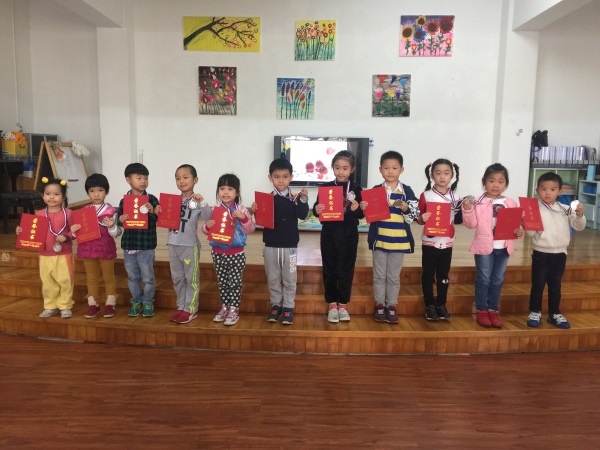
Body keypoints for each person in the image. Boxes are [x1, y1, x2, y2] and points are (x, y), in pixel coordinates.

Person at [461, 163, 524, 328]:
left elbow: (516, 225)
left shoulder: (510, 202)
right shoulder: (478, 202)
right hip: (484, 247)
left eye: (500, 181)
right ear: (484, 182)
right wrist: (467, 210)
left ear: (506, 184)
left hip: (504, 248)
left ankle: (493, 309)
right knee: (483, 279)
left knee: (497, 280)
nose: (496, 185)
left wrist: (519, 231)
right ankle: (482, 309)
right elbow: (471, 224)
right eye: (491, 181)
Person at [362, 151, 419, 324]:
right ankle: (380, 304)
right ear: (380, 170)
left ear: (401, 170)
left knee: (393, 277)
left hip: (399, 242)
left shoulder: (406, 191)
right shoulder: (375, 191)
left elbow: (413, 217)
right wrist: (364, 207)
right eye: (386, 168)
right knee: (379, 276)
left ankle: (392, 305)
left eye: (394, 168)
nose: (390, 171)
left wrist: (406, 209)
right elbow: (369, 216)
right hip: (380, 240)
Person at [250, 158, 309, 326]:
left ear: (291, 177)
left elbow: (303, 215)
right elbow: (260, 221)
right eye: (276, 177)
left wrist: (304, 199)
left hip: (290, 246)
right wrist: (255, 211)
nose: (281, 181)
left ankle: (288, 307)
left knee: (290, 279)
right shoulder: (266, 199)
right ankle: (276, 305)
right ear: (270, 178)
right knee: (273, 278)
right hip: (271, 245)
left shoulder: (296, 198)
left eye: (285, 176)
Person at [525, 172, 586, 329]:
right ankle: (535, 312)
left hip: (560, 254)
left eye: (552, 189)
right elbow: (530, 234)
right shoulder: (533, 210)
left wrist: (580, 216)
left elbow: (579, 227)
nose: (548, 193)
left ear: (559, 191)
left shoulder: (566, 209)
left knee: (555, 285)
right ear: (537, 190)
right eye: (543, 189)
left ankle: (554, 313)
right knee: (538, 284)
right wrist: (526, 221)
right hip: (540, 253)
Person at [155, 164, 211, 324]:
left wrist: (202, 202)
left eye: (185, 177)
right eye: (178, 178)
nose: (181, 181)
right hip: (172, 244)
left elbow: (209, 218)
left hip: (189, 246)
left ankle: (191, 309)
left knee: (191, 279)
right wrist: (158, 212)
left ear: (195, 180)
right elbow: (163, 221)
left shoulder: (197, 201)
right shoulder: (171, 201)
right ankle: (181, 307)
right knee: (178, 278)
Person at [313, 150, 364, 323]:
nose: (341, 172)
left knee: (346, 269)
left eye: (345, 168)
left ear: (352, 169)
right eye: (337, 167)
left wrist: (357, 210)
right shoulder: (326, 188)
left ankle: (342, 304)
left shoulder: (357, 189)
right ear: (332, 168)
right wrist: (317, 209)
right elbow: (316, 209)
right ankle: (331, 304)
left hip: (349, 236)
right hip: (329, 234)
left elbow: (361, 215)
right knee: (330, 269)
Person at [16, 178, 74, 319]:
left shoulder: (69, 213)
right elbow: (31, 233)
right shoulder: (39, 214)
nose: (52, 197)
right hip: (44, 254)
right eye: (48, 194)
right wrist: (21, 231)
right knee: (47, 282)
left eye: (56, 194)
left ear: (63, 196)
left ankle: (65, 306)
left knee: (65, 280)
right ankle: (50, 306)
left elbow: (76, 232)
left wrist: (66, 237)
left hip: (63, 254)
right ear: (42, 196)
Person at [202, 174, 255, 326]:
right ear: (218, 191)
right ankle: (224, 307)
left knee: (235, 283)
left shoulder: (241, 209)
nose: (225, 192)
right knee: (223, 282)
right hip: (217, 252)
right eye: (222, 188)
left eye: (230, 189)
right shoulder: (215, 210)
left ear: (237, 192)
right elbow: (205, 230)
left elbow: (250, 229)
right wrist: (207, 226)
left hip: (236, 253)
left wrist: (244, 218)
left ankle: (234, 309)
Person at [71, 174, 122, 319]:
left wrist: (111, 226)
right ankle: (93, 304)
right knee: (91, 278)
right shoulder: (83, 212)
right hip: (87, 250)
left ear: (107, 191)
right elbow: (76, 234)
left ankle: (110, 303)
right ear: (87, 192)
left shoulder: (111, 211)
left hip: (105, 249)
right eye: (92, 191)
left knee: (108, 277)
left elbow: (117, 233)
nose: (96, 194)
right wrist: (73, 231)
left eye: (100, 190)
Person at [416, 159, 461, 321]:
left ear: (452, 175)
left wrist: (466, 208)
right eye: (438, 173)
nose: (442, 177)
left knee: (443, 275)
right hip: (430, 241)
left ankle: (441, 304)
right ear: (432, 175)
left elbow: (459, 220)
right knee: (428, 274)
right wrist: (422, 218)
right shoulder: (426, 195)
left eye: (446, 173)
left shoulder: (456, 197)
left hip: (447, 241)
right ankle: (429, 305)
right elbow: (418, 217)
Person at [117, 163, 159, 318]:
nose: (143, 181)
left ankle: (147, 302)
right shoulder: (124, 201)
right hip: (129, 246)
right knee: (133, 277)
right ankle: (136, 301)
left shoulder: (151, 199)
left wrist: (152, 212)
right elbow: (119, 221)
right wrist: (120, 219)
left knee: (148, 278)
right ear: (128, 180)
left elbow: (158, 219)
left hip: (146, 246)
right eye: (139, 178)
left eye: (146, 178)